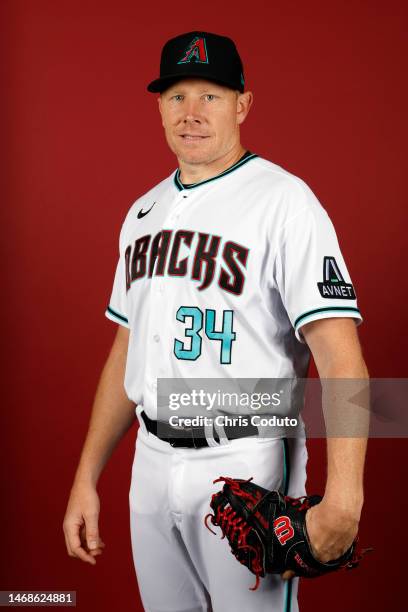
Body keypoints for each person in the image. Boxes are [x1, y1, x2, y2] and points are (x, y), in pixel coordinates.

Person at [63, 31, 369, 612]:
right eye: (177, 96)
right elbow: (127, 347)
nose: (192, 113)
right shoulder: (143, 212)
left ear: (243, 104)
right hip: (150, 464)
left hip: (247, 460)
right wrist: (86, 476)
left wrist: (346, 497)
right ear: (158, 107)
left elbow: (340, 355)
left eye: (211, 95)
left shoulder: (286, 201)